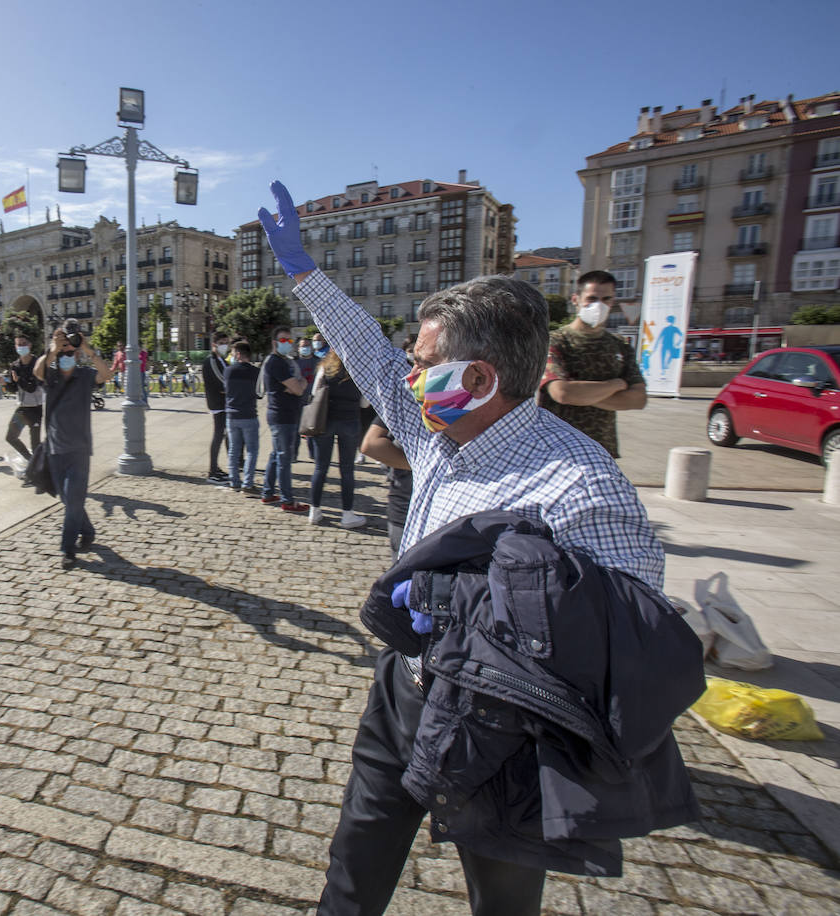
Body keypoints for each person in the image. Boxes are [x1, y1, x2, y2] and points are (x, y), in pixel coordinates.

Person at [258, 180, 669, 916]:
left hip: (502, 732)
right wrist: (302, 272)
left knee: (502, 898)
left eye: (424, 364)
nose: (407, 379)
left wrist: (480, 606)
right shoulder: (434, 431)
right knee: (354, 862)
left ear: (479, 378)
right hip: (405, 689)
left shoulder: (580, 486)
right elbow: (370, 358)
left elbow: (631, 634)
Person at [538, 270, 647, 457]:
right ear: (576, 299)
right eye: (592, 298)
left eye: (606, 299)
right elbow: (562, 393)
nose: (599, 305)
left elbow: (639, 399)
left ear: (613, 302)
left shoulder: (619, 346)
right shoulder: (555, 342)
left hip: (602, 449)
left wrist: (582, 394)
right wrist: (616, 384)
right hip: (557, 448)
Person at [34, 320, 114, 569]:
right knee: (68, 500)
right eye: (65, 351)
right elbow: (37, 371)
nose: (68, 354)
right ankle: (88, 531)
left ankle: (68, 549)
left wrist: (88, 350)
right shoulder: (52, 374)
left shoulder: (85, 375)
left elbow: (107, 374)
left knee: (74, 501)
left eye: (72, 351)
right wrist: (52, 349)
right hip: (55, 450)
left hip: (79, 449)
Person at [306, 347, 366, 528]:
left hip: (325, 421)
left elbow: (315, 394)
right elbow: (365, 403)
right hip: (349, 421)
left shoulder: (325, 368)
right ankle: (347, 514)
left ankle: (314, 511)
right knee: (347, 470)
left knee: (320, 468)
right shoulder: (359, 370)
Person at [259, 325, 309, 512]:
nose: (288, 344)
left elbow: (299, 384)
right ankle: (287, 500)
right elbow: (299, 387)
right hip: (282, 416)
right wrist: (297, 385)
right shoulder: (276, 363)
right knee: (284, 459)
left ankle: (268, 492)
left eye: (290, 340)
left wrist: (297, 385)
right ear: (274, 343)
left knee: (276, 455)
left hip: (285, 414)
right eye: (283, 340)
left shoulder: (284, 361)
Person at [361, 418, 413, 556]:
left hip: (404, 507)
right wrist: (425, 467)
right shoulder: (407, 401)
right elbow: (371, 444)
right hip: (405, 509)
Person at [224, 339, 261, 494]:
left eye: (232, 353)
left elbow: (227, 390)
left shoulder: (228, 371)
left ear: (238, 354)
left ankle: (234, 481)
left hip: (232, 415)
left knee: (234, 450)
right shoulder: (255, 372)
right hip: (249, 414)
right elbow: (259, 393)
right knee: (251, 450)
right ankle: (248, 482)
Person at [6, 334, 44, 465]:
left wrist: (19, 380)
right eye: (18, 344)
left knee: (36, 444)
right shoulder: (15, 365)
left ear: (30, 345)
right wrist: (4, 383)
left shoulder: (37, 364)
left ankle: (36, 469)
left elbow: (32, 387)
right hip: (22, 409)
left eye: (23, 343)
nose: (21, 346)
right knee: (11, 437)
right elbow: (13, 388)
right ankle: (31, 463)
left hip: (35, 409)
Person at [201, 331, 231, 482]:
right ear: (214, 344)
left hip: (225, 402)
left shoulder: (223, 361)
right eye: (222, 343)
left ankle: (221, 468)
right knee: (219, 435)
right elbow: (221, 381)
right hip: (218, 403)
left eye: (226, 343)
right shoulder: (211, 361)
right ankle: (212, 470)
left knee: (226, 435)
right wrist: (231, 388)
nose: (225, 346)